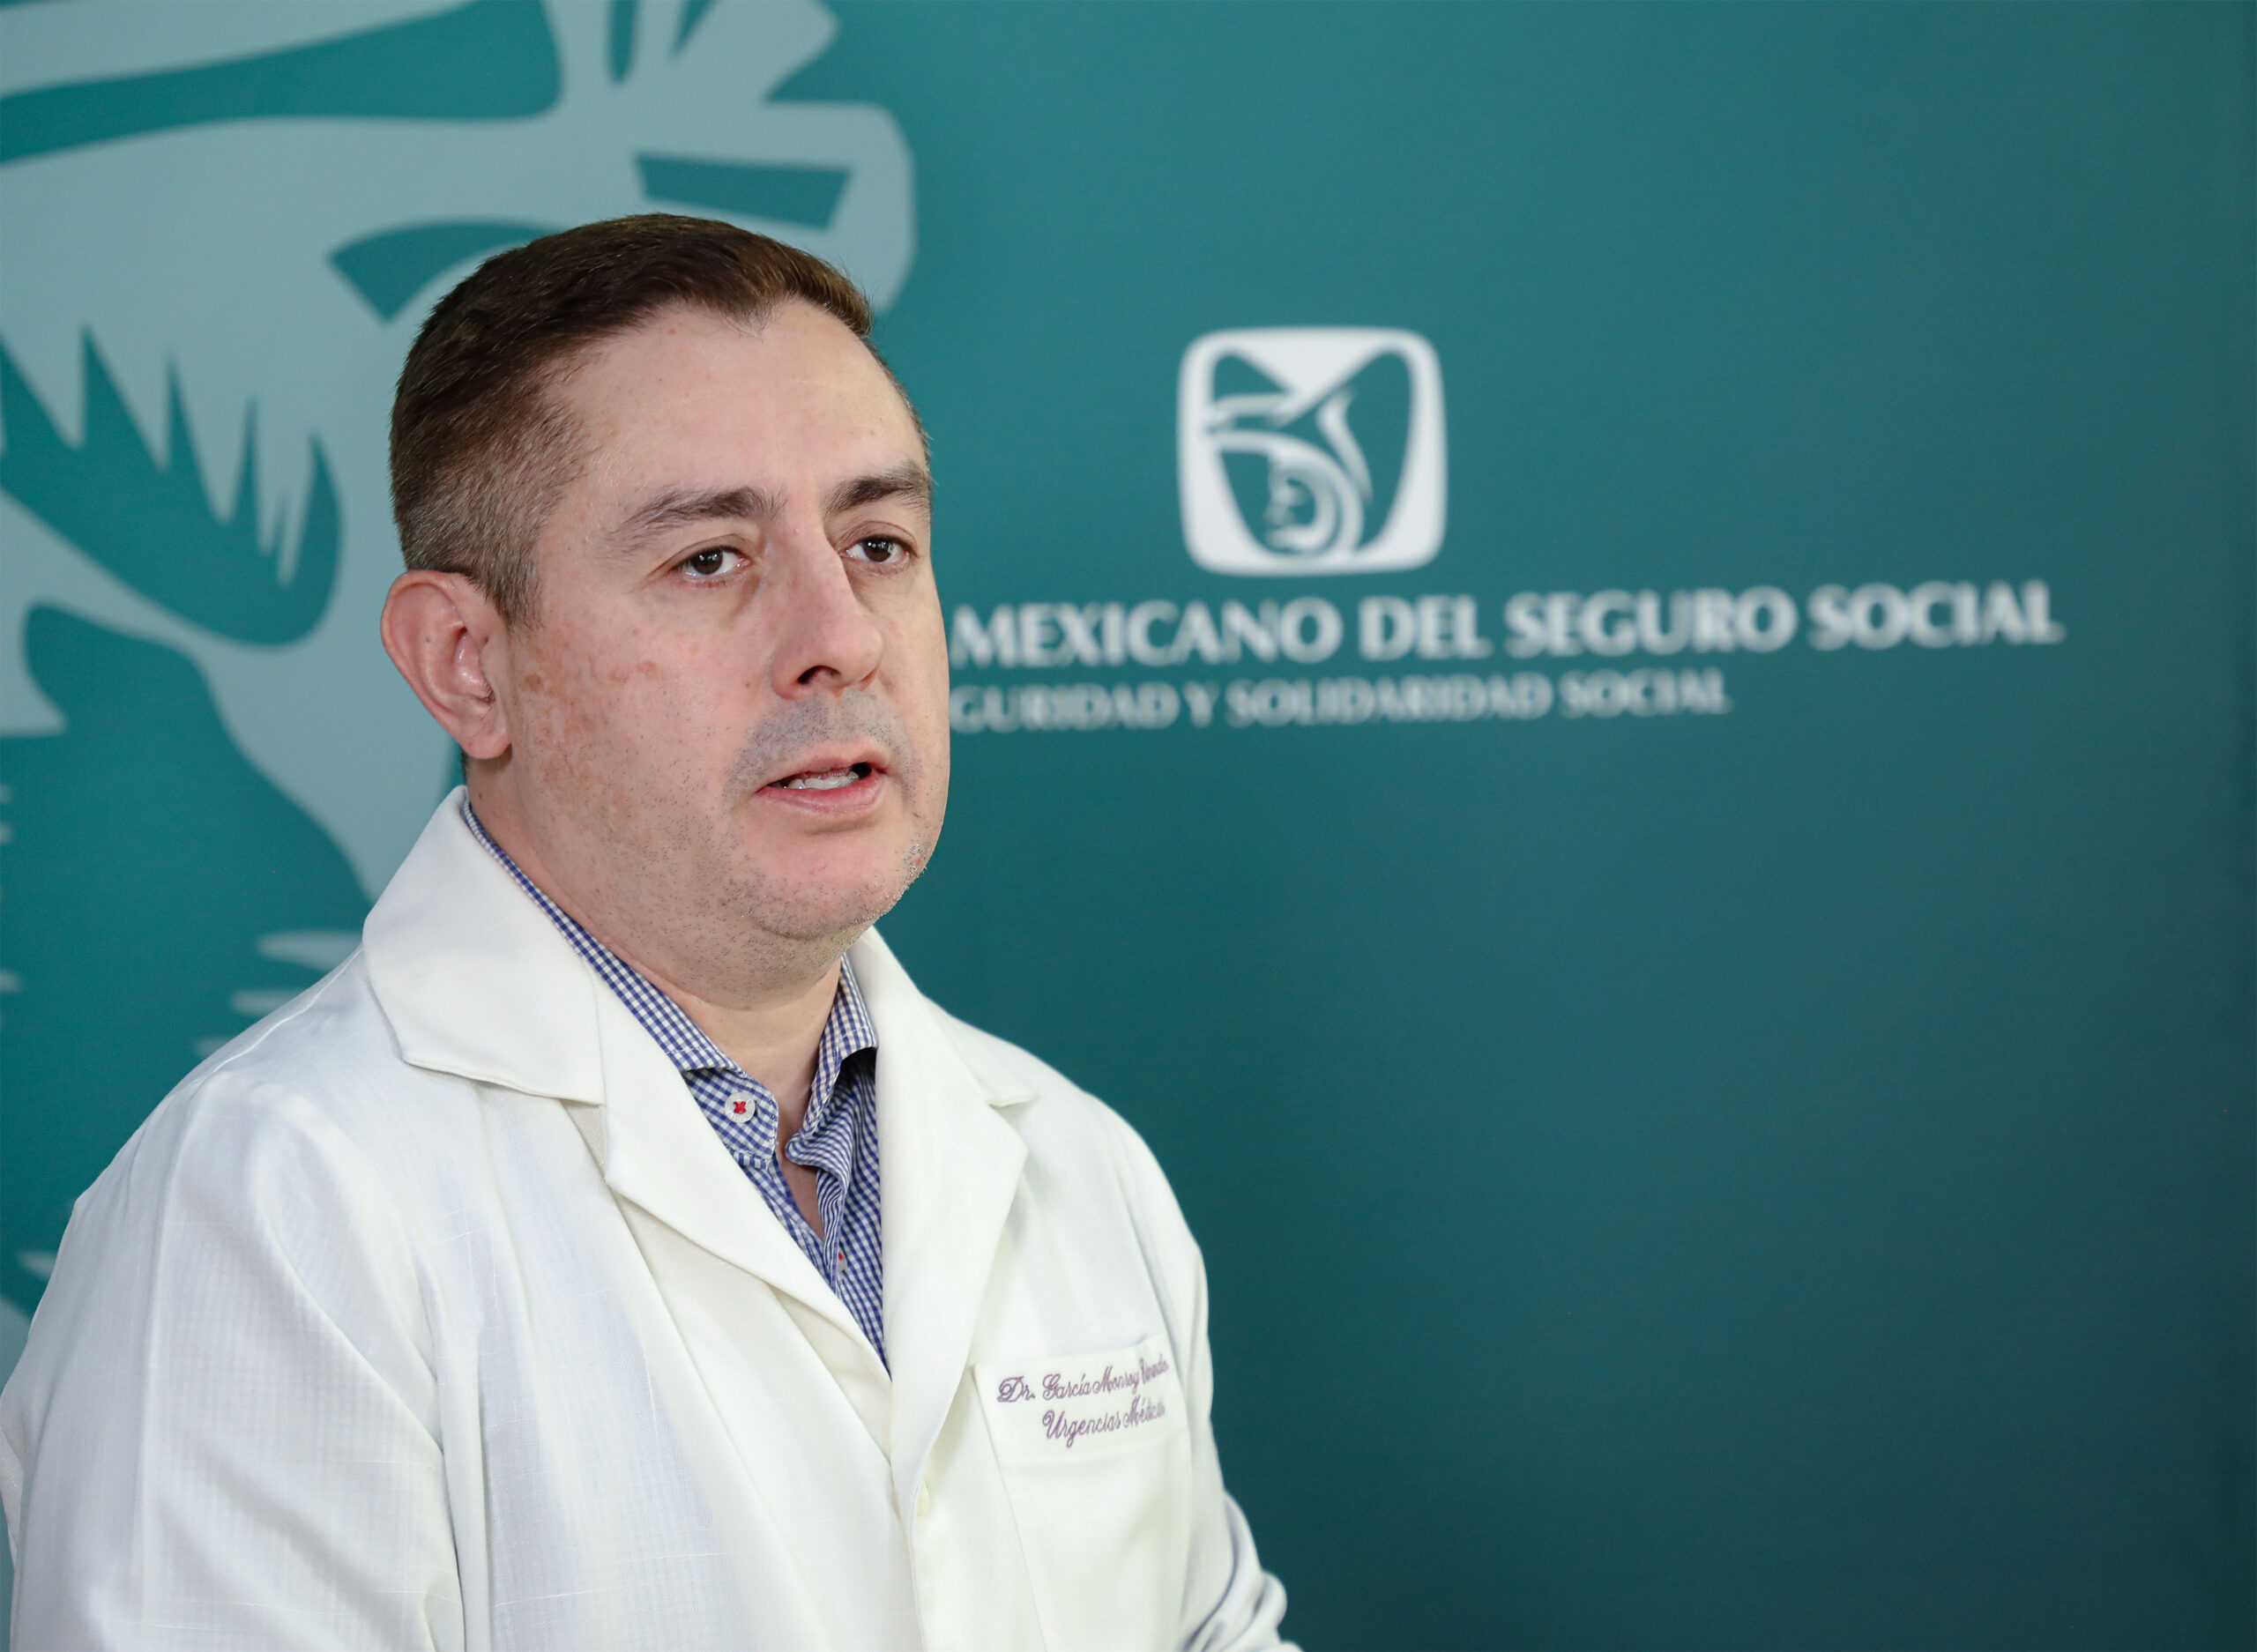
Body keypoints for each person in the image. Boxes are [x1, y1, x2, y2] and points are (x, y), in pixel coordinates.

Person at [0, 215, 1292, 1652]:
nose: (842, 634)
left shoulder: (1076, 1162)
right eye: (710, 559)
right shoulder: (269, 1217)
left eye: (878, 543)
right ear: (467, 664)